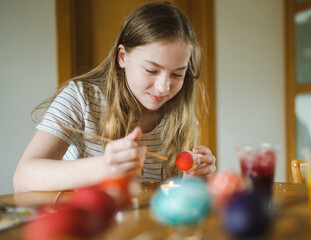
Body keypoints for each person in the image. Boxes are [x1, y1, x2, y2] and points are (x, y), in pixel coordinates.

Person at [13, 1, 216, 192]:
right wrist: (104, 166)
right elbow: (22, 178)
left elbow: (168, 198)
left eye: (177, 74)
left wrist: (193, 181)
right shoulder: (81, 98)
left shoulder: (181, 118)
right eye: (152, 70)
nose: (163, 87)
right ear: (122, 57)